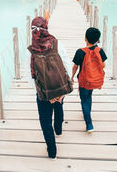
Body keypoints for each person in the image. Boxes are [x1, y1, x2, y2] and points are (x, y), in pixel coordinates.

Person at [27, 17, 72, 159]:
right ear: (47, 27)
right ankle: (58, 130)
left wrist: (42, 92)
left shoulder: (30, 50)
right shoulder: (57, 44)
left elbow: (31, 77)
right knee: (59, 107)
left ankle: (52, 152)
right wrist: (65, 87)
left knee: (45, 121)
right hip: (59, 86)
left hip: (43, 93)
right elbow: (67, 65)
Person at [71, 27, 107, 132]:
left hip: (83, 80)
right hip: (94, 79)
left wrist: (72, 77)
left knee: (84, 99)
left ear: (85, 38)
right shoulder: (100, 51)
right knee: (89, 96)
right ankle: (87, 112)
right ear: (98, 40)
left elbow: (75, 66)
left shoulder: (80, 52)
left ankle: (89, 123)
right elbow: (103, 65)